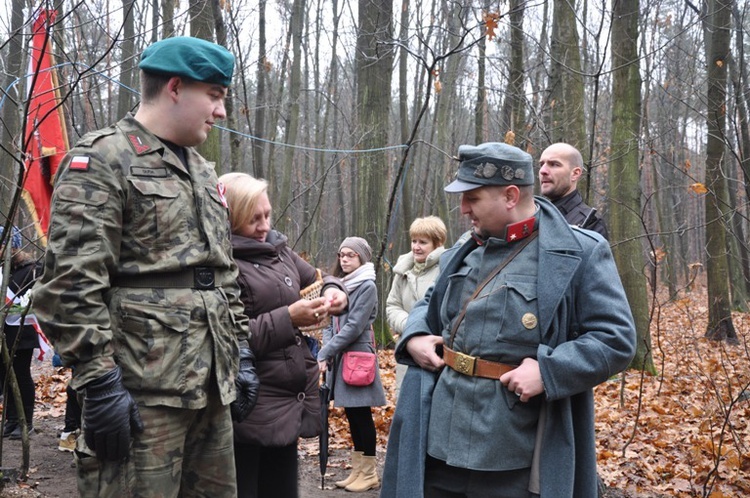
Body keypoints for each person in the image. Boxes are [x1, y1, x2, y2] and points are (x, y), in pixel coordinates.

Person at [33, 37, 258, 497]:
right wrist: (99, 383)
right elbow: (70, 283)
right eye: (214, 97)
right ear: (175, 87)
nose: (221, 113)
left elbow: (221, 273)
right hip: (139, 394)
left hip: (210, 388)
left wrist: (240, 354)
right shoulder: (102, 158)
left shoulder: (201, 170)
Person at [381, 142, 636, 497]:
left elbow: (616, 339)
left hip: (513, 450)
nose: (463, 209)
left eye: (472, 198)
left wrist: (550, 371)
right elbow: (430, 302)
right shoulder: (462, 250)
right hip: (439, 439)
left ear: (511, 195)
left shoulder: (580, 251)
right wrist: (415, 334)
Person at [218, 172, 348, 498]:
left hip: (288, 400)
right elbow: (225, 337)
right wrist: (289, 317)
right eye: (252, 220)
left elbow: (320, 277)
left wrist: (335, 292)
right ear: (229, 219)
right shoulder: (221, 263)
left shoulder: (276, 248)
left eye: (267, 214)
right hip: (249, 406)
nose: (264, 226)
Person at [317, 237, 386, 493]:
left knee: (361, 415)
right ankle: (358, 470)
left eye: (351, 255)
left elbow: (354, 327)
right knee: (352, 415)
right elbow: (329, 323)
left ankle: (368, 474)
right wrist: (327, 349)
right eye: (341, 254)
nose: (344, 259)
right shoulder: (339, 285)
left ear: (362, 258)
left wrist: (325, 351)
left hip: (358, 358)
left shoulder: (366, 286)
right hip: (341, 356)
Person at [385, 216, 447, 395]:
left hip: (437, 351)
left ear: (438, 243)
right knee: (407, 404)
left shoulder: (446, 269)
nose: (416, 247)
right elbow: (392, 305)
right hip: (408, 347)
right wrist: (411, 326)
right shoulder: (403, 270)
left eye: (423, 242)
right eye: (414, 241)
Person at [0, 226, 40, 440]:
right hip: (4, 332)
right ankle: (12, 419)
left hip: (23, 332)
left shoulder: (31, 269)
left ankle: (26, 421)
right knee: (6, 377)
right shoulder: (3, 269)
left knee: (21, 375)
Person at [538, 142, 609, 239]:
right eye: (541, 164)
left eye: (554, 164)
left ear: (575, 174)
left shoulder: (591, 223)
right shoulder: (534, 215)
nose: (543, 170)